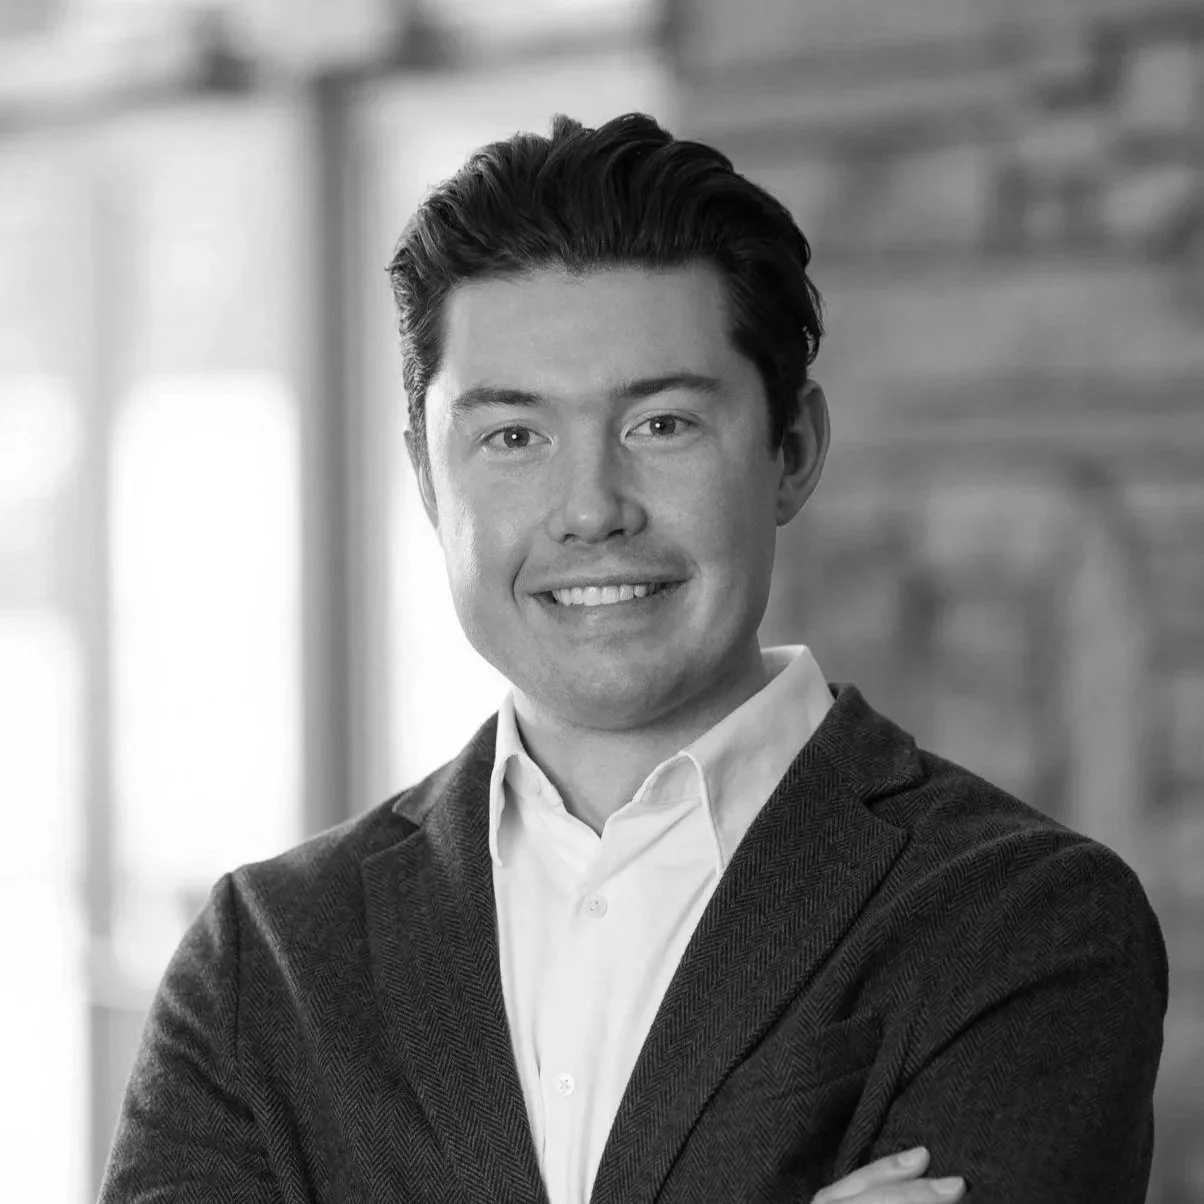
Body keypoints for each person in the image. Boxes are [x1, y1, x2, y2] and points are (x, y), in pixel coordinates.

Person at [98, 112, 1168, 1204]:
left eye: (660, 424)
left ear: (790, 451)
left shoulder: (1017, 922)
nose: (590, 509)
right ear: (428, 477)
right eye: (513, 437)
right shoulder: (268, 964)